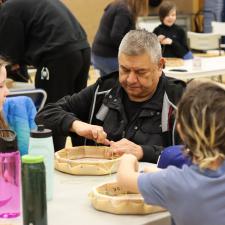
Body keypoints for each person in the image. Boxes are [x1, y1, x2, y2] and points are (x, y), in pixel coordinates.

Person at [36, 29, 185, 162]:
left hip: (153, 188)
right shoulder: (104, 90)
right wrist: (77, 125)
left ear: (160, 65)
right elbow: (44, 115)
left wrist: (143, 152)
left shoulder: (181, 100)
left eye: (140, 72)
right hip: (92, 186)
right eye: (125, 70)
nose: (131, 79)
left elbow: (199, 155)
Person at [116, 81, 225, 225]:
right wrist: (157, 172)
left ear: (181, 130)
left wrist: (129, 157)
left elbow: (124, 179)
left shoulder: (175, 183)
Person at [0, 0, 91, 150]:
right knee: (76, 108)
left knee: (50, 112)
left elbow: (7, 56)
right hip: (83, 48)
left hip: (58, 55)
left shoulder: (10, 8)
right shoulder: (29, 5)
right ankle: (81, 155)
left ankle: (52, 158)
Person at [92, 0, 149, 77]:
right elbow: (116, 35)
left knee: (108, 86)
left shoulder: (117, 4)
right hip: (109, 57)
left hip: (99, 55)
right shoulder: (124, 10)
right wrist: (132, 50)